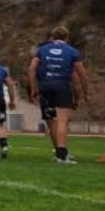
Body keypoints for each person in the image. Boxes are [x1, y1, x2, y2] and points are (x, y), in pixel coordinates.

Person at [27, 25, 88, 164]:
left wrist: (34, 87)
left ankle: (58, 151)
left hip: (45, 85)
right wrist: (85, 91)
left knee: (51, 120)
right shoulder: (72, 51)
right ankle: (62, 154)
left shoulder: (42, 50)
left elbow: (31, 68)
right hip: (61, 86)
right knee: (62, 121)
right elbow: (82, 75)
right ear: (67, 37)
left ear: (53, 37)